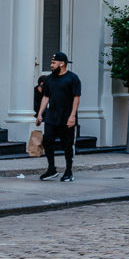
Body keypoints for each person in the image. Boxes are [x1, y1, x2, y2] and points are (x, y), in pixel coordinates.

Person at [35, 52, 81, 182]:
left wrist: (72, 116)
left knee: (67, 144)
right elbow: (46, 97)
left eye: (54, 63)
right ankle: (51, 169)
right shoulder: (49, 79)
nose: (51, 65)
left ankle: (68, 171)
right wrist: (40, 114)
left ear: (62, 63)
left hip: (67, 117)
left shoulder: (73, 78)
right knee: (47, 141)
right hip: (51, 116)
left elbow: (76, 98)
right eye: (51, 63)